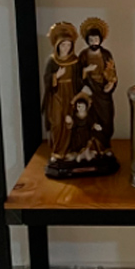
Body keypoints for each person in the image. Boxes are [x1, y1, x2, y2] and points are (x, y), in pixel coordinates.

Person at [75, 16, 117, 153]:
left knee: (106, 119)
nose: (94, 42)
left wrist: (111, 84)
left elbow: (112, 73)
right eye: (91, 40)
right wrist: (86, 71)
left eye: (96, 39)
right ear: (87, 41)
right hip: (90, 90)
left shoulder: (106, 54)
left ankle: (105, 145)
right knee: (92, 118)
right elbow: (77, 74)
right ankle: (92, 147)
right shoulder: (83, 55)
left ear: (101, 40)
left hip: (104, 92)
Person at [42, 21, 79, 163]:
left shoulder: (74, 61)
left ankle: (68, 150)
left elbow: (79, 79)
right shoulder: (52, 61)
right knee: (57, 123)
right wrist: (56, 76)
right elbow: (46, 79)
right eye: (63, 45)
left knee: (70, 122)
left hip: (70, 94)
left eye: (69, 45)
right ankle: (57, 151)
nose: (66, 48)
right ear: (57, 45)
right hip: (56, 95)